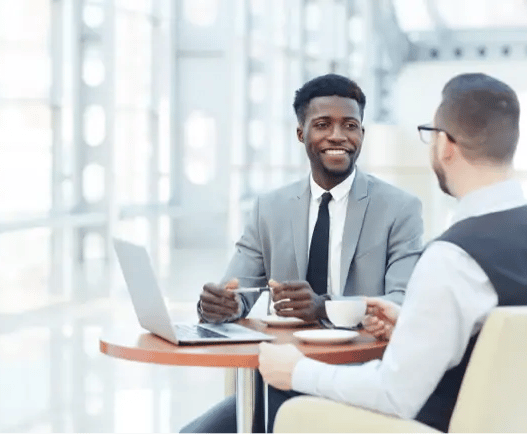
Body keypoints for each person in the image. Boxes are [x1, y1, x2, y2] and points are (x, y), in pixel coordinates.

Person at [259, 72, 527, 433]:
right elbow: (495, 351)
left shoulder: (453, 257)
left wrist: (296, 369)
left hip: (432, 423)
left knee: (279, 397)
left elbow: (395, 393)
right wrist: (413, 325)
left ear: (446, 145)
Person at [182, 73, 424, 433]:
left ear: (362, 134)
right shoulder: (270, 208)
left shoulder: (400, 208)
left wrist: (324, 307)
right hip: (281, 380)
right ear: (301, 133)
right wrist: (220, 305)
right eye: (323, 124)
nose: (338, 136)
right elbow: (238, 291)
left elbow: (401, 302)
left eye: (350, 125)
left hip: (360, 383)